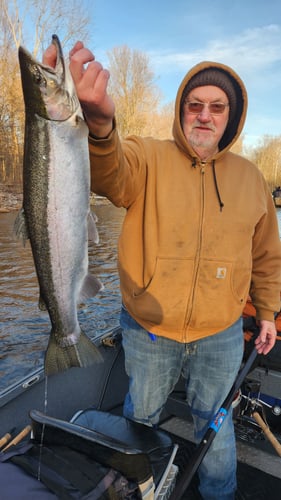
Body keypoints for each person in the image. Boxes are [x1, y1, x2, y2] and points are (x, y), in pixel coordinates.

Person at [44, 42, 281, 500]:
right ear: (181, 110)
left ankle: (220, 496)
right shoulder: (146, 156)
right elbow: (109, 171)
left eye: (217, 107)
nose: (204, 115)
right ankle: (135, 489)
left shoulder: (251, 179)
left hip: (222, 333)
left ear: (231, 117)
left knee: (217, 432)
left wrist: (268, 312)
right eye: (195, 105)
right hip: (148, 330)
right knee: (139, 423)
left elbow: (268, 256)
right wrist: (98, 124)